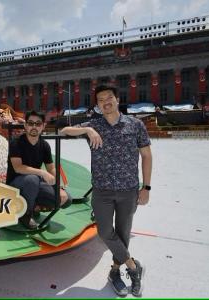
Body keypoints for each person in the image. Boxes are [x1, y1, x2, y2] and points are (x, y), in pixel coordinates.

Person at [60, 85, 152, 297]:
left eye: (109, 97)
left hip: (129, 190)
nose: (106, 102)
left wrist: (146, 187)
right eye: (101, 100)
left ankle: (115, 272)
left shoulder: (135, 125)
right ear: (98, 105)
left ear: (117, 99)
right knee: (104, 231)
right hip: (101, 191)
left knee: (122, 233)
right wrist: (87, 129)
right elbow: (63, 130)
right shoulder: (94, 124)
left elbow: (147, 156)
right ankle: (133, 266)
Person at [6, 110, 72, 229]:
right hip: (16, 185)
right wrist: (41, 172)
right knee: (32, 179)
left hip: (34, 183)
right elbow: (18, 167)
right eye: (31, 123)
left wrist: (59, 188)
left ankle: (34, 205)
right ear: (25, 125)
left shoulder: (44, 145)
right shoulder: (16, 143)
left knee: (66, 199)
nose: (34, 127)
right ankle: (25, 214)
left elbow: (51, 167)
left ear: (43, 126)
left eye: (38, 123)